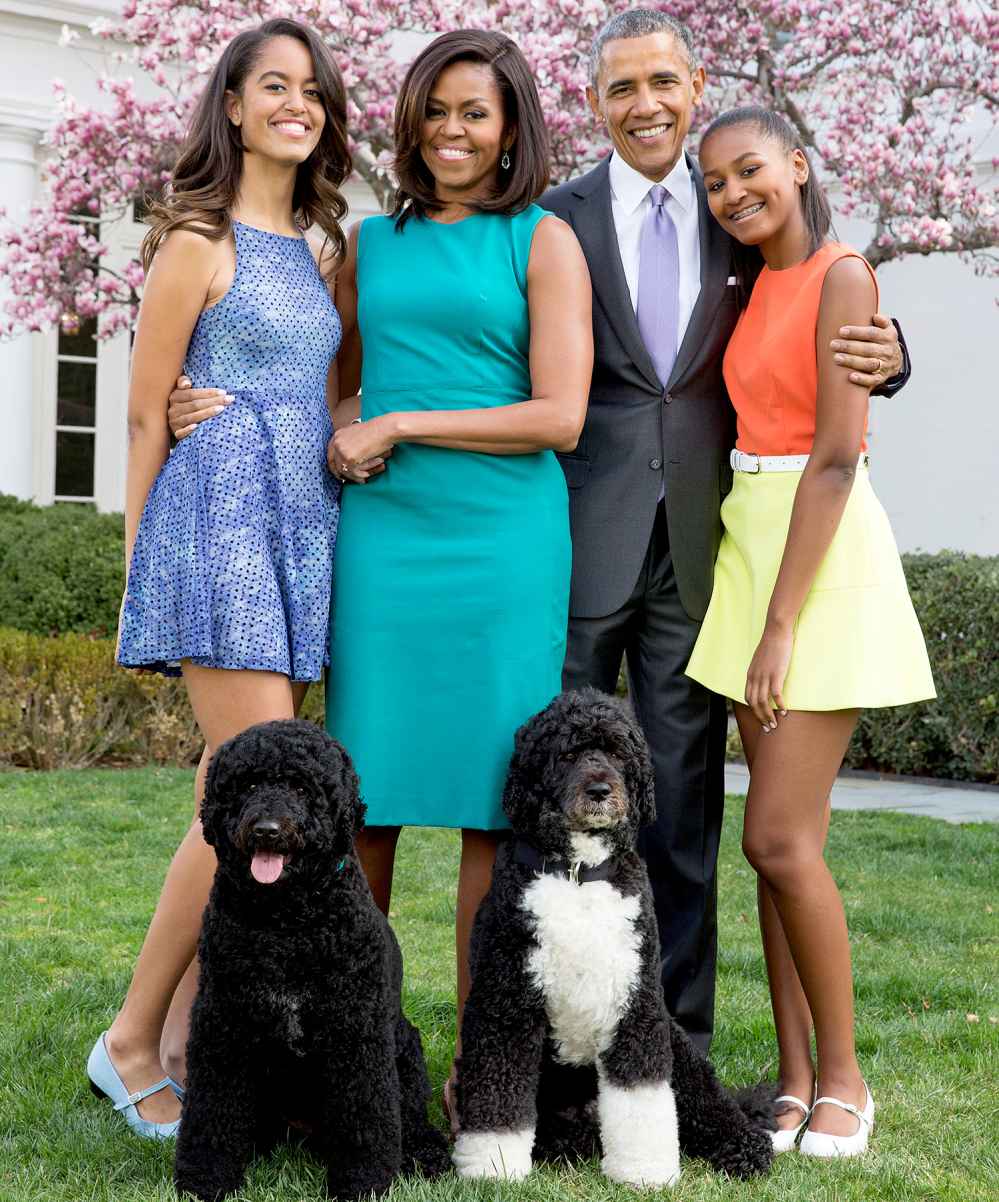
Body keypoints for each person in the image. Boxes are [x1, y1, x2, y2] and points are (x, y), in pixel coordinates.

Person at [168, 29, 592, 1126]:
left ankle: (478, 1079)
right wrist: (202, 401)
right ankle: (338, 1074)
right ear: (409, 119)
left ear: (513, 129)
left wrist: (404, 420)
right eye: (436, 109)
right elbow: (328, 389)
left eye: (477, 113)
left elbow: (560, 413)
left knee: (496, 821)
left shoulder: (543, 244)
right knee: (362, 808)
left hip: (501, 546)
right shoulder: (368, 243)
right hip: (386, 545)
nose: (453, 131)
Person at [540, 8, 909, 1053]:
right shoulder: (556, 219)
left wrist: (892, 350)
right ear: (595, 103)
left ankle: (678, 1048)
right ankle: (559, 1038)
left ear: (696, 86)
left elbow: (820, 307)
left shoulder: (736, 208)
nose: (644, 105)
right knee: (552, 801)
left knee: (682, 811)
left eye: (661, 82)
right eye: (620, 88)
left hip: (707, 555)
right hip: (578, 540)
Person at [88, 19, 351, 1138]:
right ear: (233, 107)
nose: (296, 103)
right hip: (220, 520)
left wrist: (358, 429)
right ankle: (135, 1039)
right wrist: (143, 563)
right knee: (240, 789)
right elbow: (148, 410)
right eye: (273, 86)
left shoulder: (325, 245)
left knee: (236, 788)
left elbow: (323, 392)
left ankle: (190, 1036)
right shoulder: (195, 238)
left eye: (312, 89)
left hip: (303, 521)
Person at [686, 105, 934, 1157]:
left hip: (815, 554)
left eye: (751, 171)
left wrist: (780, 624)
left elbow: (836, 456)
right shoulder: (745, 281)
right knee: (776, 848)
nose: (734, 193)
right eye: (715, 183)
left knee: (776, 837)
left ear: (799, 162)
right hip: (749, 538)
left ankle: (844, 1077)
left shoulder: (844, 272)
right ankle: (790, 1080)